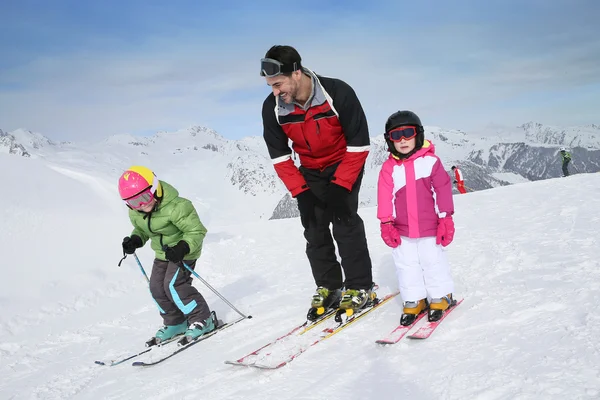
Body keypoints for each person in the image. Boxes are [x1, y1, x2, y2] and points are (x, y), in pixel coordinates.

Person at [260, 45, 374, 319]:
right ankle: (329, 286)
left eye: (278, 84)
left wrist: (341, 185)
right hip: (310, 169)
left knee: (344, 221)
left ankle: (360, 287)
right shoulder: (273, 108)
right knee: (314, 227)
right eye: (270, 86)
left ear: (296, 73)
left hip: (344, 161)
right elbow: (280, 156)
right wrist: (302, 192)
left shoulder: (337, 92)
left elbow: (359, 143)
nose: (275, 91)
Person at [118, 165, 216, 345]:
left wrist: (183, 247)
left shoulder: (178, 206)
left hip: (184, 252)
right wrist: (135, 240)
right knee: (156, 287)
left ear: (155, 189)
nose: (142, 205)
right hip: (163, 254)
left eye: (145, 197)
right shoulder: (137, 212)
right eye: (134, 202)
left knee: (174, 285)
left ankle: (203, 318)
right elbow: (143, 229)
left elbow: (196, 231)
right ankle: (176, 322)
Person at [377, 110, 457, 325]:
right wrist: (386, 223)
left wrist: (445, 219)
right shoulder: (389, 168)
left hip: (430, 226)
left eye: (408, 133)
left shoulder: (431, 162)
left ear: (418, 135)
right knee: (406, 264)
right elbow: (385, 196)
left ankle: (441, 295)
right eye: (396, 136)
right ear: (389, 140)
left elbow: (442, 190)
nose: (402, 140)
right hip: (402, 229)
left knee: (433, 261)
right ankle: (414, 299)